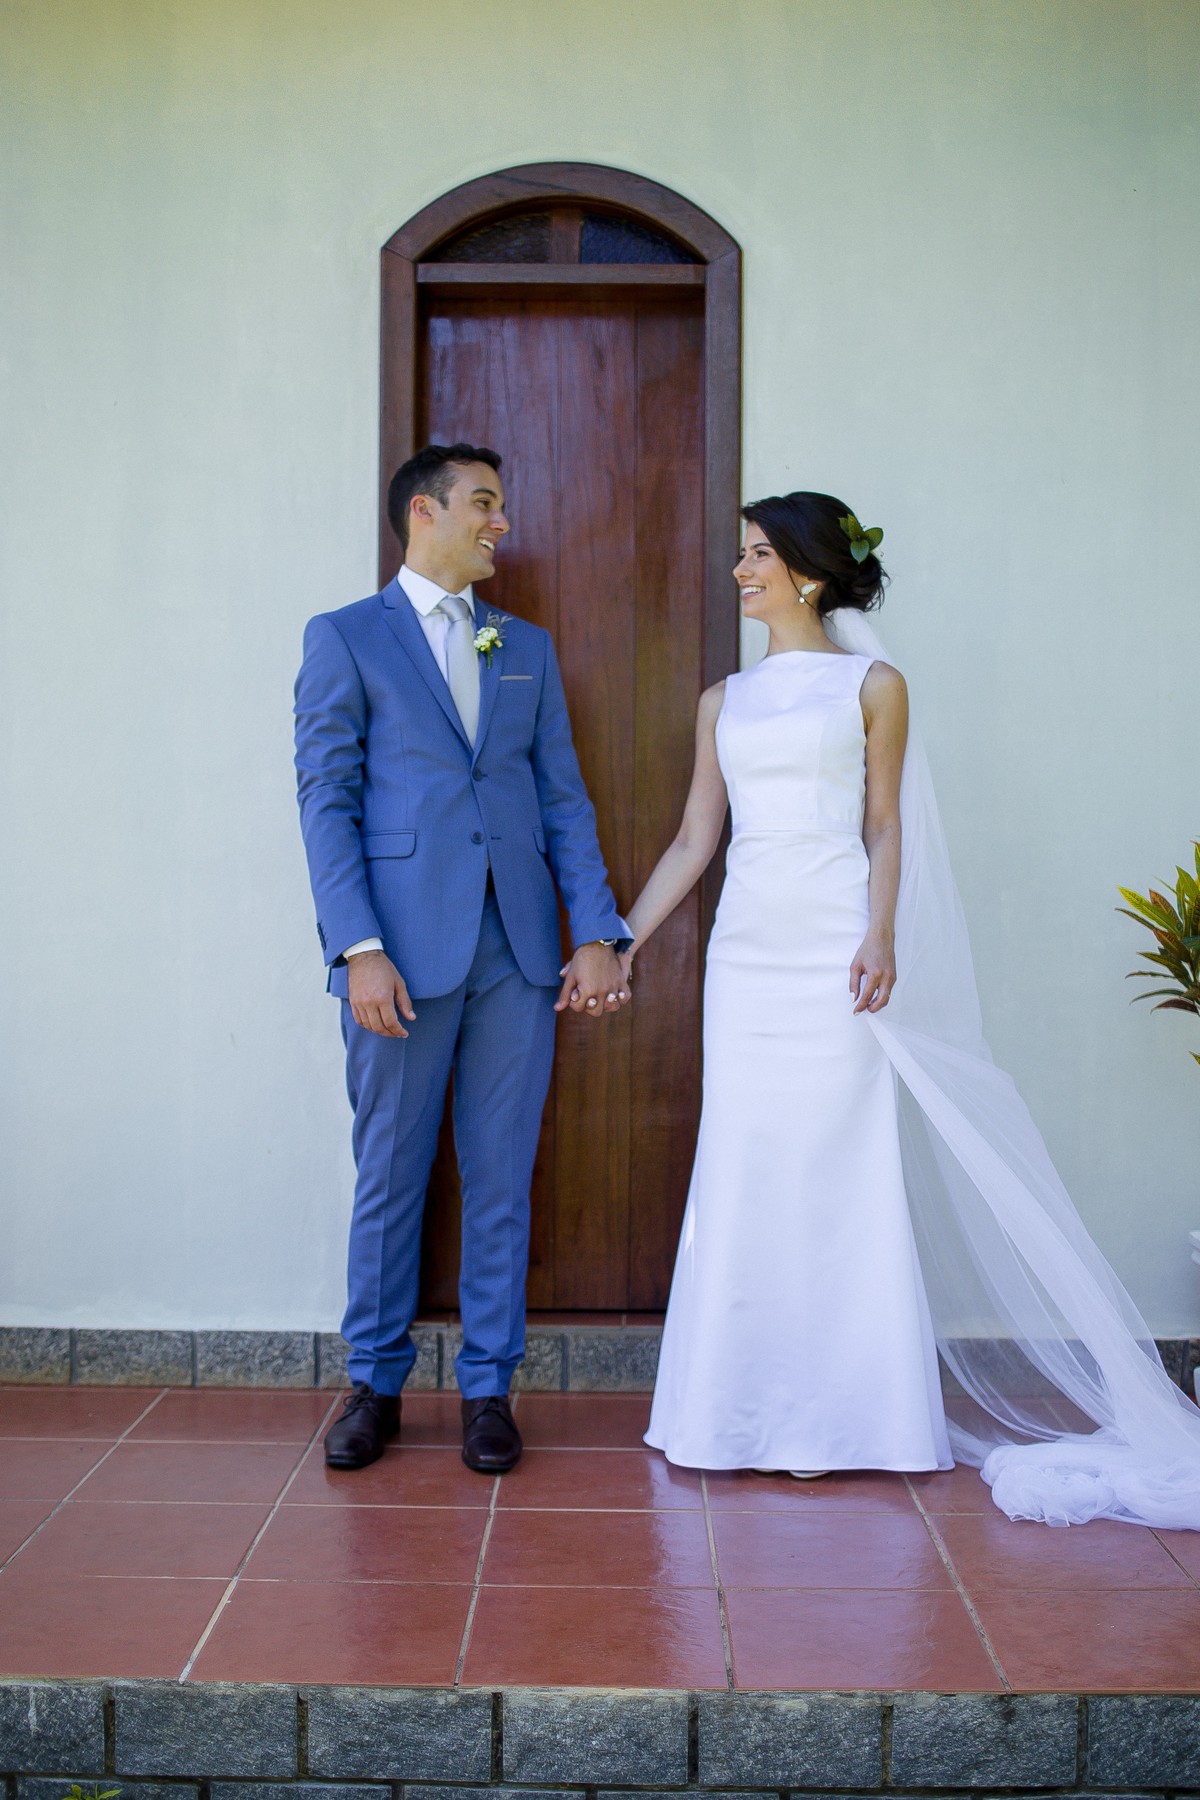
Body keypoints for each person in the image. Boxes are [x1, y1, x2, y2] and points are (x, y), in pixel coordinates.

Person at [624, 490, 1200, 1529]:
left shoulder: (875, 685)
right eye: (742, 555)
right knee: (746, 1163)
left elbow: (885, 826)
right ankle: (733, 1412)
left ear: (807, 572)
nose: (741, 571)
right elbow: (693, 839)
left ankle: (851, 1421)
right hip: (748, 959)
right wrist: (622, 939)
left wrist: (880, 933)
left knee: (840, 1167)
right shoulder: (725, 702)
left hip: (836, 953)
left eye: (758, 556)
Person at [294, 443, 630, 1476]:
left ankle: (490, 1389)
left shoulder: (520, 643)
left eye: (502, 503)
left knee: (501, 1178)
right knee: (389, 1173)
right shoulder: (344, 638)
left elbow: (563, 798)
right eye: (485, 503)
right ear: (424, 514)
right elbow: (326, 800)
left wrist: (595, 931)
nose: (502, 521)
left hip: (518, 954)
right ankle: (375, 1384)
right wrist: (358, 949)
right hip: (397, 953)